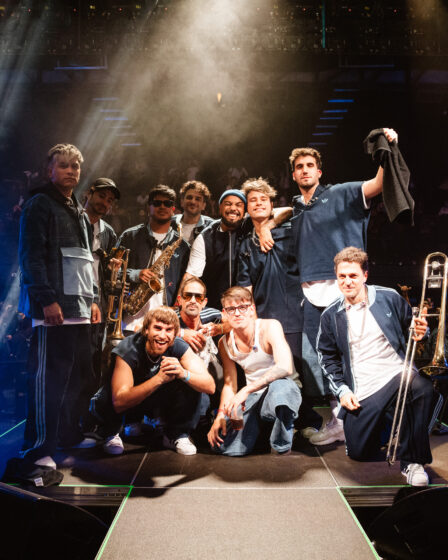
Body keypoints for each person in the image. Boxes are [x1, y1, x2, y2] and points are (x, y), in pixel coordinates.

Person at [289, 127, 400, 445]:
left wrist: (388, 148)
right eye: (299, 167)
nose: (305, 170)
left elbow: (377, 184)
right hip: (311, 295)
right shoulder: (296, 209)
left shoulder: (340, 193)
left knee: (360, 357)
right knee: (323, 363)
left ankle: (384, 423)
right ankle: (339, 420)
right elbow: (285, 213)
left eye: (310, 165)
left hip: (345, 289)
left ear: (319, 172)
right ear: (293, 175)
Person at [7, 143, 101, 486]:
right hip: (54, 309)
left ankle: (66, 434)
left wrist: (92, 299)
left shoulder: (76, 207)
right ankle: (37, 449)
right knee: (48, 380)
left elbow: (84, 260)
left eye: (75, 166)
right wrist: (46, 299)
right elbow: (30, 256)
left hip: (78, 307)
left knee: (75, 378)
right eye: (64, 165)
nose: (71, 171)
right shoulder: (39, 204)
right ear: (50, 170)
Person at [317, 247, 441, 486]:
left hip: (396, 373)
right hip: (363, 387)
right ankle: (395, 427)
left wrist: (422, 334)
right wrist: (342, 390)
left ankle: (413, 462)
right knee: (359, 452)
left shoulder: (389, 297)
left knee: (421, 387)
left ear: (365, 275)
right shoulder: (330, 315)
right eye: (342, 276)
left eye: (353, 275)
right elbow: (326, 357)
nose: (347, 281)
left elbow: (414, 331)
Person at [237, 177, 321, 436]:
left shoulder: (290, 229)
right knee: (274, 371)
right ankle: (283, 420)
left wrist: (268, 225)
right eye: (253, 200)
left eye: (264, 199)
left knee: (297, 368)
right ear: (246, 207)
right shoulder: (245, 244)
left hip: (294, 311)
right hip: (265, 317)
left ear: (271, 204)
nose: (258, 203)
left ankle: (307, 421)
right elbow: (246, 287)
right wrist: (251, 321)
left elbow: (296, 208)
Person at [90, 307, 215, 456]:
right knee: (110, 391)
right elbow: (119, 401)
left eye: (168, 330)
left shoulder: (179, 346)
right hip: (126, 403)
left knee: (191, 381)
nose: (162, 336)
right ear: (146, 330)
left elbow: (210, 386)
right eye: (158, 328)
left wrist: (183, 373)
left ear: (175, 334)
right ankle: (111, 431)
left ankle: (175, 434)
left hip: (155, 400)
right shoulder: (128, 349)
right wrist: (159, 379)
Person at [207, 287, 302, 456]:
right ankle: (264, 431)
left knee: (281, 388)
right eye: (231, 309)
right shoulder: (224, 343)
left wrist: (246, 390)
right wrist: (220, 415)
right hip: (254, 399)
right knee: (222, 443)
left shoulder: (269, 326)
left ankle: (281, 442)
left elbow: (285, 367)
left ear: (251, 309)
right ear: (225, 313)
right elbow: (229, 384)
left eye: (242, 307)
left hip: (281, 391)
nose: (237, 313)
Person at [184, 189, 290, 310]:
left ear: (245, 211)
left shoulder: (250, 224)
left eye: (238, 205)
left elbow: (288, 210)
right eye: (228, 204)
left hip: (246, 306)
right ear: (220, 207)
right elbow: (191, 275)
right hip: (214, 308)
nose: (233, 208)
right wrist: (179, 304)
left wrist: (267, 227)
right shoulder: (206, 237)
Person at [117, 185, 190, 334]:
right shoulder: (129, 236)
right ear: (148, 207)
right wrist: (136, 274)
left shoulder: (182, 246)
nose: (162, 207)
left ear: (173, 209)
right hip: (130, 319)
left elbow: (185, 284)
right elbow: (111, 270)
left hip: (164, 322)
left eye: (167, 203)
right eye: (157, 203)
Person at [84, 177, 121, 384]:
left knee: (94, 358)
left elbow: (107, 271)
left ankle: (88, 400)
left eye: (109, 200)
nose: (105, 203)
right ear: (88, 193)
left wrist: (112, 268)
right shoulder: (73, 222)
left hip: (99, 303)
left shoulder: (108, 232)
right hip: (76, 299)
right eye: (101, 196)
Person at [176, 276, 229, 412]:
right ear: (179, 300)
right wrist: (182, 333)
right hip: (178, 378)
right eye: (188, 296)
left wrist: (219, 328)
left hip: (207, 371)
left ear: (204, 302)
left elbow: (234, 322)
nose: (193, 300)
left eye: (198, 297)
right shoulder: (171, 317)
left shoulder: (208, 313)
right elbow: (141, 328)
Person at [172, 180, 213, 245]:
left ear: (203, 205)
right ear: (182, 202)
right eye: (189, 197)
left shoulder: (211, 227)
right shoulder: (170, 223)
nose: (193, 202)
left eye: (197, 199)